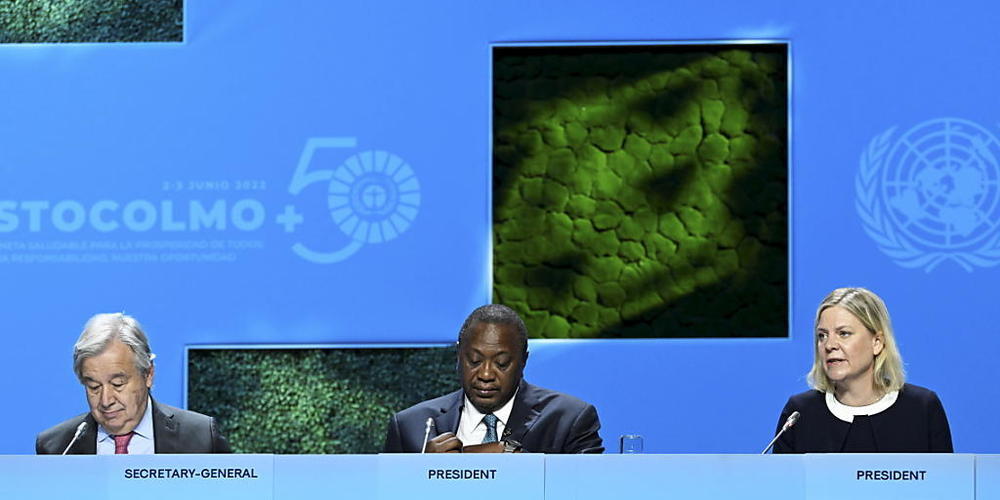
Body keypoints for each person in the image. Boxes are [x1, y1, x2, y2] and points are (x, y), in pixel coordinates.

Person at [383, 304, 604, 453]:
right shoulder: (410, 427)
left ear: (523, 361)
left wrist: (521, 465)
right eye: (474, 361)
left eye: (501, 363)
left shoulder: (569, 420)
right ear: (458, 357)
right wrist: (423, 475)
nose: (486, 375)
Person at [772, 287, 952, 453]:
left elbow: (946, 477)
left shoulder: (921, 408)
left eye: (844, 333)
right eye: (822, 335)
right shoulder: (800, 414)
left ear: (877, 342)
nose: (829, 345)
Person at [36, 313, 231, 454]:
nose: (106, 401)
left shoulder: (201, 438)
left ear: (148, 374)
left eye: (118, 383)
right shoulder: (57, 447)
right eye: (94, 387)